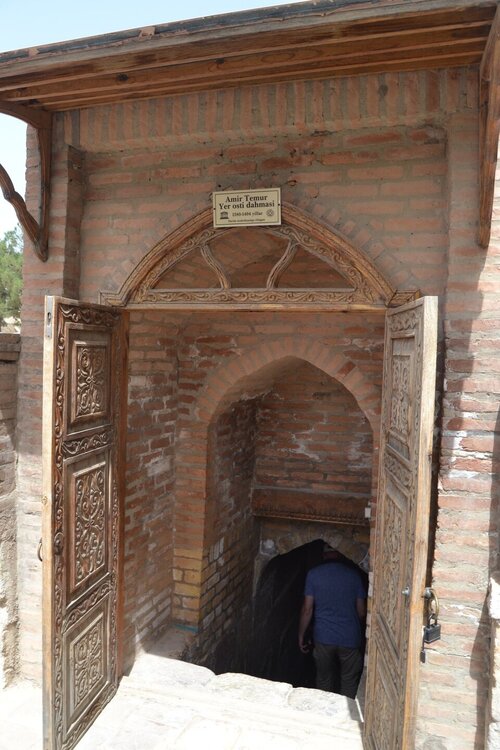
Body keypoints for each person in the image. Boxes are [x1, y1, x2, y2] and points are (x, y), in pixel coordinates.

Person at [298, 547, 367, 699]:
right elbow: (362, 612)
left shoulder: (314, 574)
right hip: (349, 638)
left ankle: (324, 707)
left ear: (323, 555)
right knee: (349, 680)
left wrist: (301, 635)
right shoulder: (354, 575)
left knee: (324, 678)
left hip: (323, 637)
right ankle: (345, 709)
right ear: (341, 553)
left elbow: (307, 609)